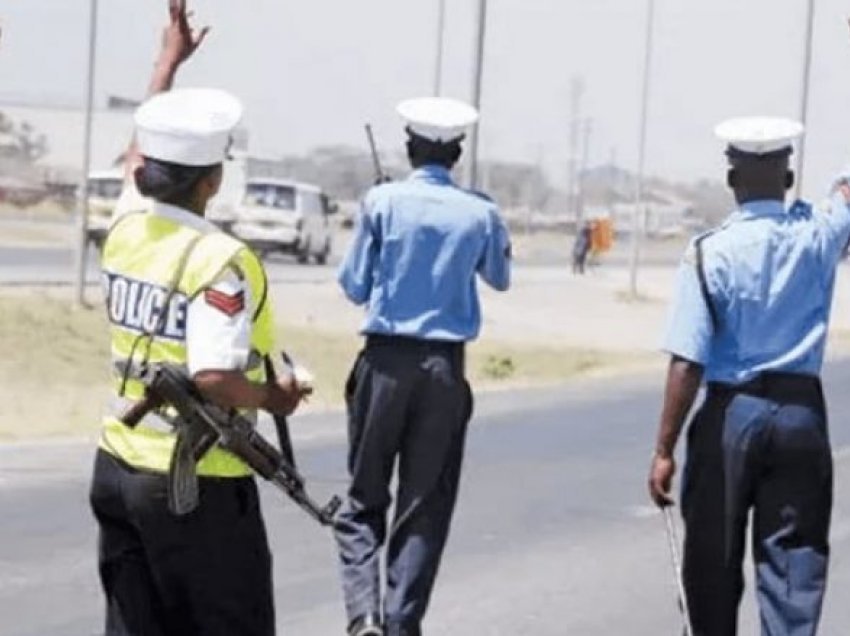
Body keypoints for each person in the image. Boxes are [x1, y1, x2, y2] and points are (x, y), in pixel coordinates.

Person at [88, 2, 308, 634]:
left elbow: (137, 152)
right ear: (211, 181)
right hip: (194, 483)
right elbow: (214, 377)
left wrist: (166, 64)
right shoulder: (218, 258)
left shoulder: (128, 226)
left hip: (118, 467)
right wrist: (276, 397)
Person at [647, 115, 850, 635]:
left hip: (729, 416)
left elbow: (687, 361)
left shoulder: (707, 252)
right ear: (788, 180)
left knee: (712, 559)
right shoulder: (818, 235)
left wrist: (665, 449)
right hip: (802, 414)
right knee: (794, 564)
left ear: (731, 181)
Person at [335, 96, 512, 636]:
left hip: (385, 361)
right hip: (443, 369)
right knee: (424, 504)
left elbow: (353, 285)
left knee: (365, 496)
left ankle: (363, 614)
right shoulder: (481, 211)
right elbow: (500, 277)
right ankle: (402, 623)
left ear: (410, 148)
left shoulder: (382, 202)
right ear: (457, 152)